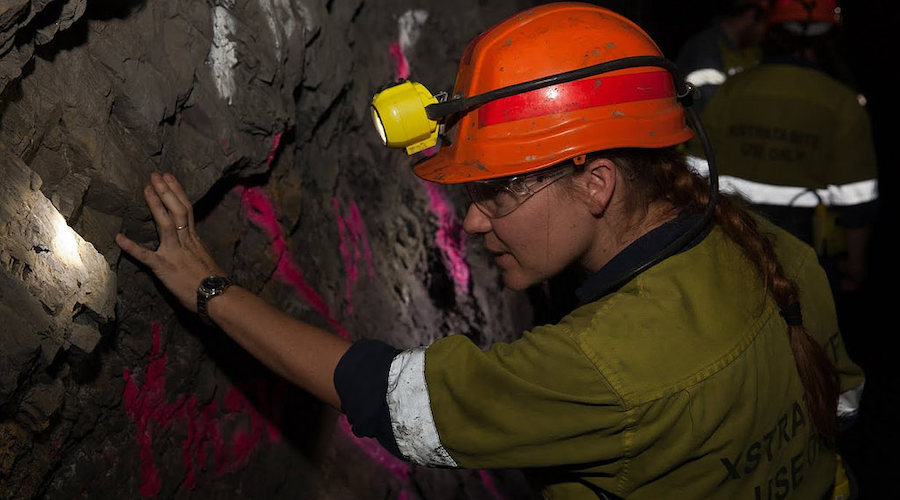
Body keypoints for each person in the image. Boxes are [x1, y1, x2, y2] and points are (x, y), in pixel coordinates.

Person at [116, 3, 864, 498]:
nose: (472, 223)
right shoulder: (770, 249)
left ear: (596, 183)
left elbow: (384, 396)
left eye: (497, 192)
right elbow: (842, 402)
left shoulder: (604, 368)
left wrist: (208, 288)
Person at [695, 0, 878, 296]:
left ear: (772, 33)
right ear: (830, 40)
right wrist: (856, 266)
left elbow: (695, 172)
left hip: (730, 242)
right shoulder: (843, 104)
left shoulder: (732, 89)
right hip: (807, 257)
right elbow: (859, 202)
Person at [676, 0, 770, 113]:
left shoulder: (753, 52)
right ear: (750, 15)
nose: (766, 32)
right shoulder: (704, 50)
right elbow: (704, 106)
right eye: (765, 23)